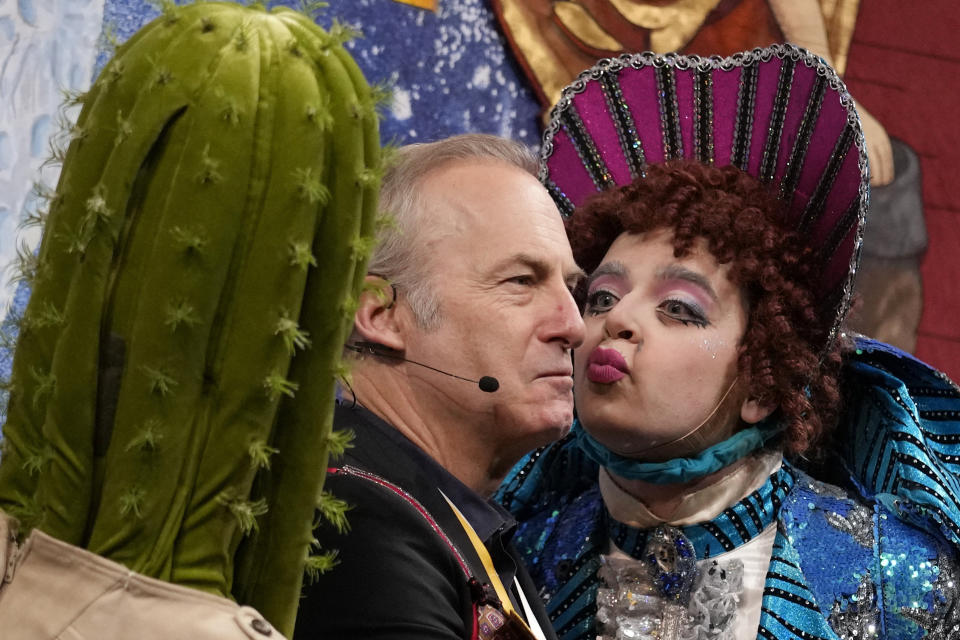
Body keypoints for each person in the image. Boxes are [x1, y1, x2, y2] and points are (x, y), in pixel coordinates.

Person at [497, 46, 960, 640]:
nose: (616, 322)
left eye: (678, 309)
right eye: (601, 297)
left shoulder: (897, 582)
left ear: (763, 382)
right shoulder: (515, 564)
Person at [294, 134, 585, 640]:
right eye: (521, 281)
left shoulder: (443, 513)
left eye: (573, 288)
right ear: (382, 315)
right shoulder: (357, 519)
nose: (574, 325)